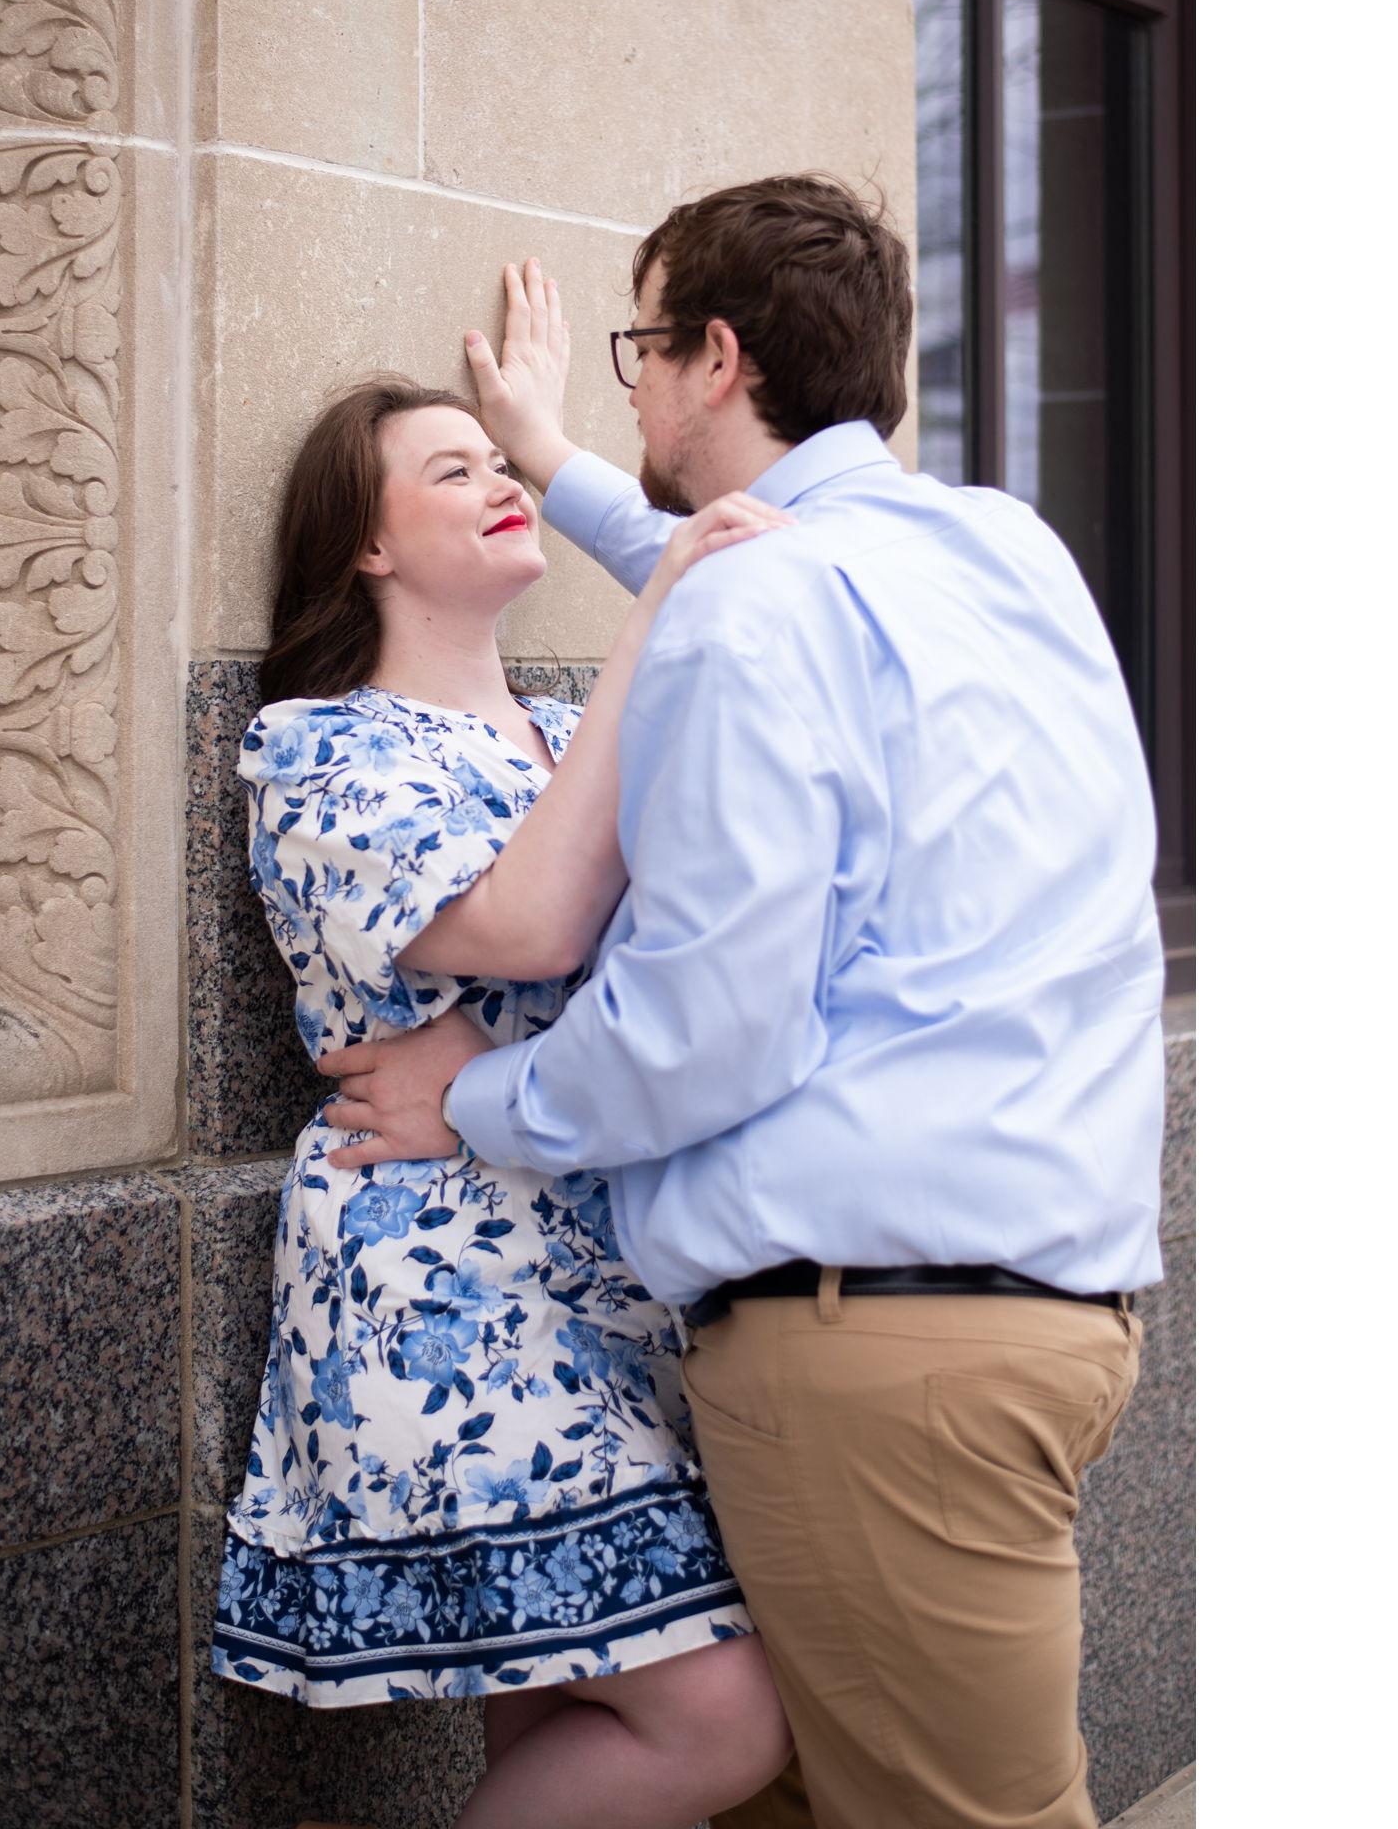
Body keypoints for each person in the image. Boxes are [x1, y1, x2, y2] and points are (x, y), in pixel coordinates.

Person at [321, 182, 1167, 1829]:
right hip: (1047, 1314)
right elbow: (758, 580)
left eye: (643, 347)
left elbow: (706, 1025)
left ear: (715, 359)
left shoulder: (760, 608)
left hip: (878, 1354)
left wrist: (467, 1099)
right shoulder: (1006, 552)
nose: (632, 384)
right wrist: (557, 462)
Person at [209, 351, 798, 1829]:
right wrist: (653, 615)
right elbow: (529, 928)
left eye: (502, 462)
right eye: (452, 470)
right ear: (366, 541)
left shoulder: (562, 729)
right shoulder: (321, 745)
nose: (501, 486)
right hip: (446, 1285)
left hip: (609, 1266)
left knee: (567, 1707)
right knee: (720, 1719)